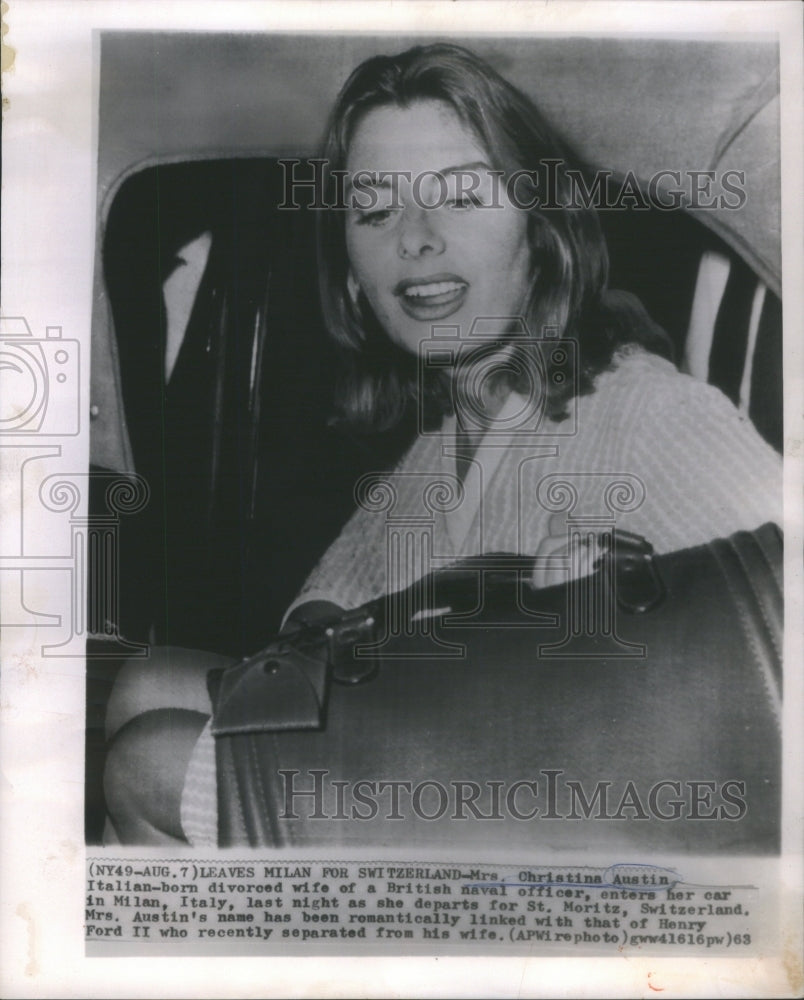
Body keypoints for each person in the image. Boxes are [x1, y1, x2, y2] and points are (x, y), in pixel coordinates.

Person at [104, 43, 782, 846]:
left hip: (558, 812)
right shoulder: (437, 449)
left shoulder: (654, 414)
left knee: (149, 762)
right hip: (440, 760)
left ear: (543, 228)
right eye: (375, 210)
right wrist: (346, 627)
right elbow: (316, 622)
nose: (416, 239)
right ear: (351, 272)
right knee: (144, 682)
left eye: (460, 196)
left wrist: (634, 618)